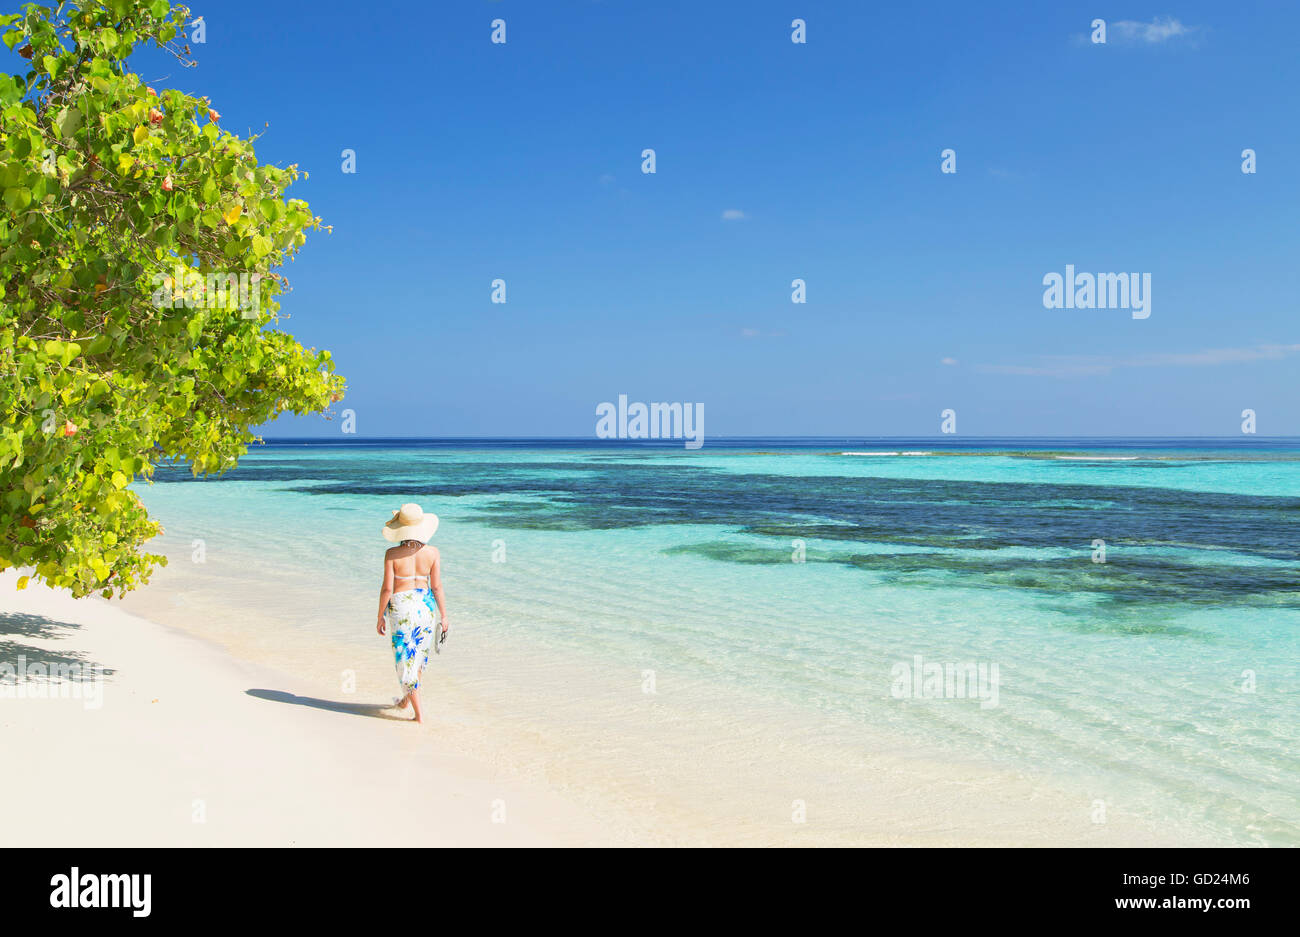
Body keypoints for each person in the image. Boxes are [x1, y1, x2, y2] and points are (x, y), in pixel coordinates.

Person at [375, 503, 448, 723]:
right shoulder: (433, 552)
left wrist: (380, 616)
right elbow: (436, 587)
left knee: (404, 658)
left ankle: (419, 715)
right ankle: (407, 700)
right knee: (417, 657)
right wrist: (444, 615)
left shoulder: (392, 554)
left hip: (402, 607)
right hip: (426, 607)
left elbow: (387, 588)